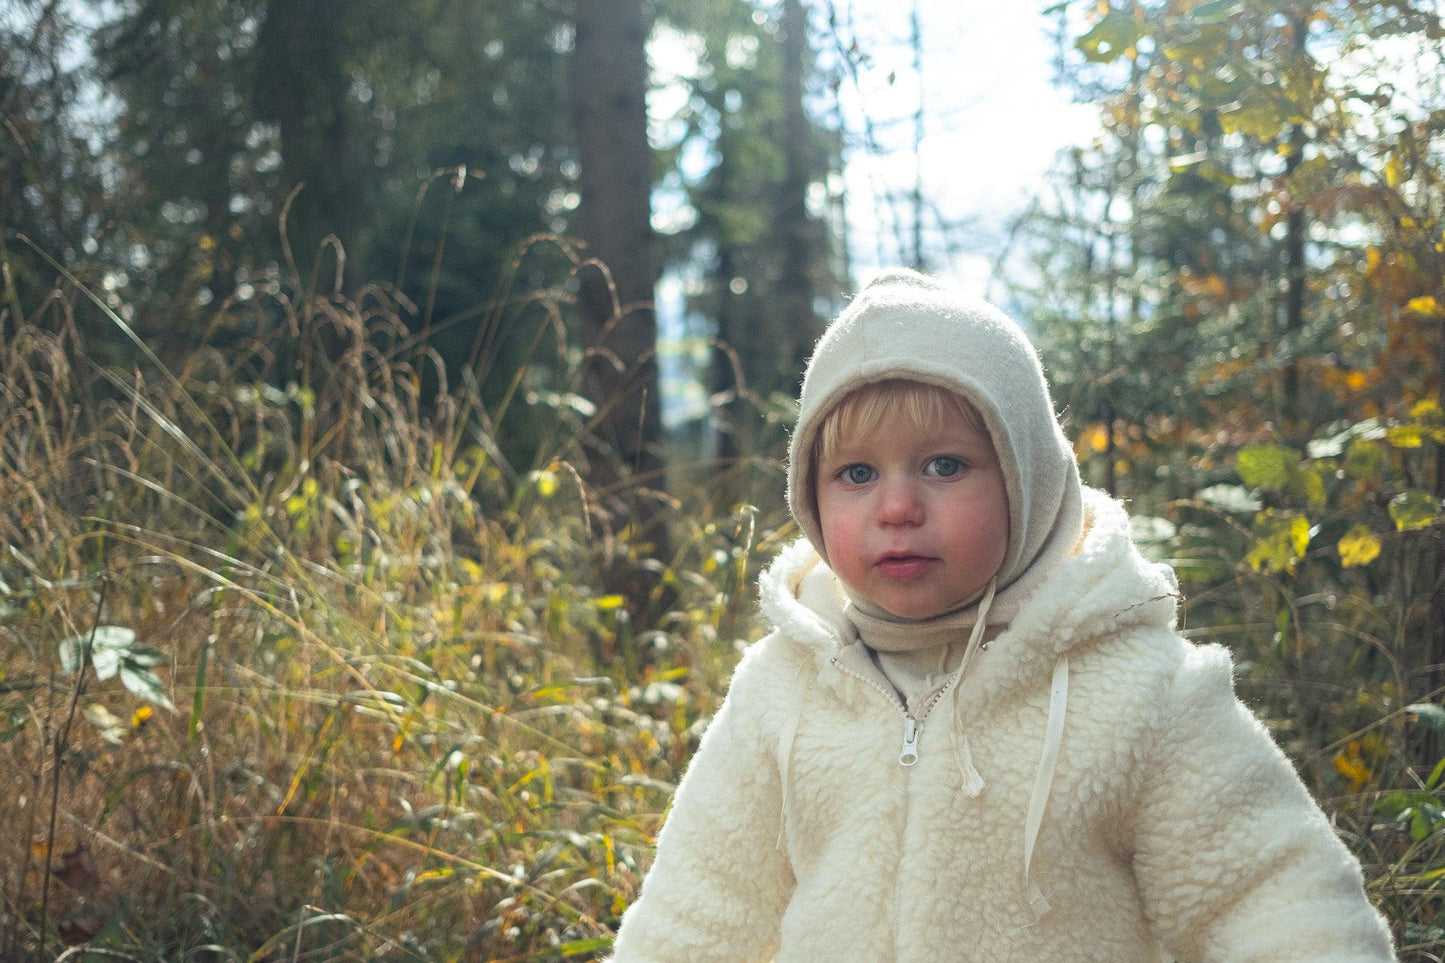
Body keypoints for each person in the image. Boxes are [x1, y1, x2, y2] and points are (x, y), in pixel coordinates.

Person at [608, 269, 1397, 960]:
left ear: (1026, 478)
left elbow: (1278, 904)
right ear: (807, 497)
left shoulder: (1142, 695)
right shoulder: (780, 691)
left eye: (944, 464)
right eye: (854, 472)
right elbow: (692, 915)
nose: (895, 506)